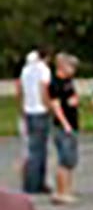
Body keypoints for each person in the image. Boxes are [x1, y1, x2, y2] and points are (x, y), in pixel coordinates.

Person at [47, 54, 81, 205]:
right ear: (62, 67)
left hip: (73, 123)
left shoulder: (68, 82)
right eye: (71, 67)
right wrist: (65, 123)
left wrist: (75, 101)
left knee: (71, 160)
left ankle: (68, 190)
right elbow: (56, 106)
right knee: (64, 159)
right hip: (63, 126)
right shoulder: (55, 83)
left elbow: (72, 98)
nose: (73, 70)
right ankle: (61, 192)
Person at [19, 51, 51, 196]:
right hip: (40, 110)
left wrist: (22, 106)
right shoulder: (43, 70)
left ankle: (30, 182)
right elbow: (43, 88)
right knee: (40, 149)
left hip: (28, 109)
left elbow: (19, 88)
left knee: (32, 148)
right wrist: (48, 106)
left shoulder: (25, 70)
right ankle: (37, 183)